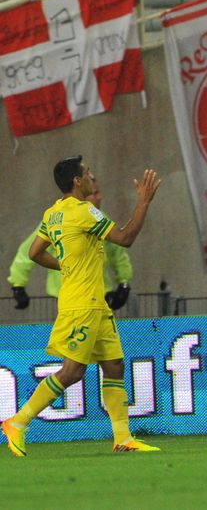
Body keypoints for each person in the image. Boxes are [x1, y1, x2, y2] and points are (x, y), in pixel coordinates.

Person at [1, 156, 161, 457]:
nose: (91, 176)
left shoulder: (54, 214)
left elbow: (35, 253)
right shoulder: (84, 211)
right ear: (77, 181)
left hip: (94, 304)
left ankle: (123, 438)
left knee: (114, 365)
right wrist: (144, 202)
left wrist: (66, 266)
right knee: (72, 371)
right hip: (82, 306)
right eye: (87, 173)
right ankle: (17, 422)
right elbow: (125, 239)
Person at [7, 174, 133, 311]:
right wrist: (18, 285)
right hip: (69, 296)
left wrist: (124, 282)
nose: (99, 197)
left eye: (98, 192)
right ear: (83, 193)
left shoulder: (100, 219)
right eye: (94, 193)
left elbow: (117, 253)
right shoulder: (59, 219)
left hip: (99, 293)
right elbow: (28, 251)